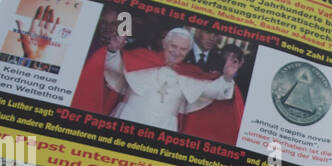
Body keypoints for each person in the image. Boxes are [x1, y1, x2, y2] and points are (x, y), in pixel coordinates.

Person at [88, 28, 238, 132]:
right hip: (127, 119)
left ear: (188, 51)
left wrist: (227, 77)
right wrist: (113, 50)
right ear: (165, 44)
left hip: (164, 127)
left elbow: (213, 91)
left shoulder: (191, 73)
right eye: (174, 46)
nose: (177, 52)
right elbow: (113, 65)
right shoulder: (141, 58)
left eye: (183, 49)